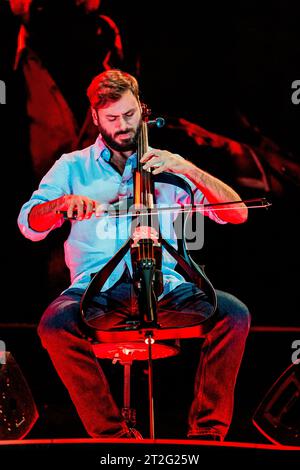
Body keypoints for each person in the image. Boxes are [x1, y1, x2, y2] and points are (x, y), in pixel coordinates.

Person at [18, 69, 251, 440]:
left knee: (234, 314)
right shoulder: (72, 166)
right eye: (111, 119)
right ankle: (113, 436)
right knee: (54, 325)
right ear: (95, 117)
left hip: (165, 290)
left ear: (142, 111)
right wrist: (61, 204)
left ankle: (207, 435)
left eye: (129, 115)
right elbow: (29, 223)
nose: (123, 126)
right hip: (96, 292)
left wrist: (188, 168)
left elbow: (237, 213)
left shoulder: (169, 165)